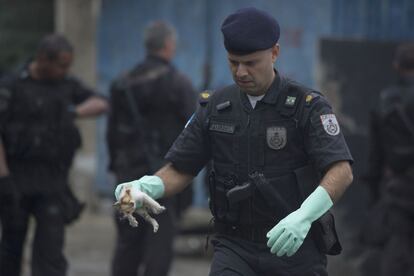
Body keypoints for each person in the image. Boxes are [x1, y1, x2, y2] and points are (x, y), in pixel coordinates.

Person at [114, 7, 354, 276]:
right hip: (235, 246)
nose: (240, 72)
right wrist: (145, 186)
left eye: (250, 63)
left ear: (274, 53)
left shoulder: (306, 106)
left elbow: (341, 171)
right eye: (233, 62)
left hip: (294, 245)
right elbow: (181, 167)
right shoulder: (216, 107)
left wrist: (304, 216)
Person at [0, 34, 108, 276]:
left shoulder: (66, 85)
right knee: (10, 251)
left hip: (52, 183)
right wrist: (4, 179)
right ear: (42, 59)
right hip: (16, 181)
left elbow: (101, 103)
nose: (65, 70)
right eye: (61, 64)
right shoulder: (12, 86)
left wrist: (73, 111)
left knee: (50, 254)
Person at [107, 21, 196, 276]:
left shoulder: (122, 83)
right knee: (160, 241)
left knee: (127, 241)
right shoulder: (179, 83)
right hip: (163, 178)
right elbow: (194, 133)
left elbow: (112, 132)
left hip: (127, 176)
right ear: (168, 46)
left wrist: (115, 168)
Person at [363, 43, 414, 276]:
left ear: (396, 66)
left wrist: (374, 195)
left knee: (398, 248)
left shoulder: (384, 101)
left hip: (399, 187)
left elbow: (375, 157)